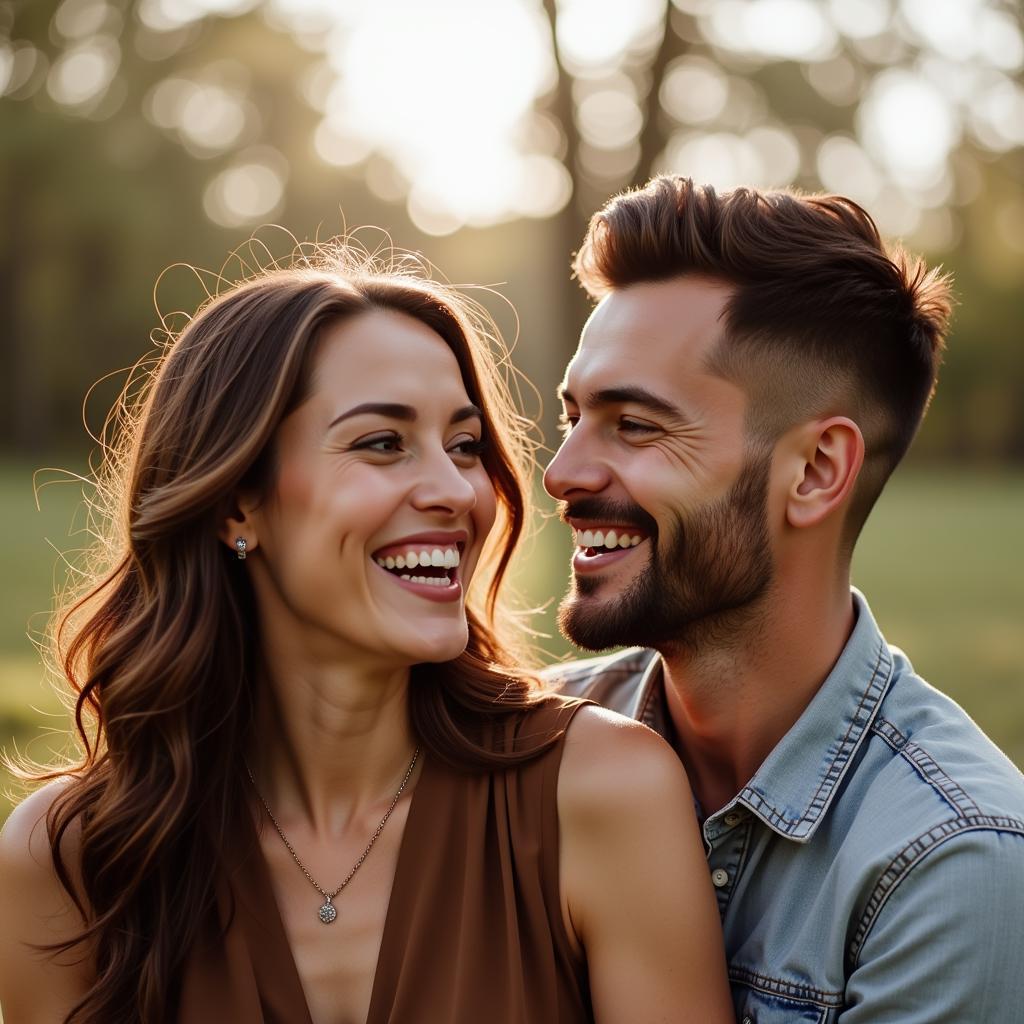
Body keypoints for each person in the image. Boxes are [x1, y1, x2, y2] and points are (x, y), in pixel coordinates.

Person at [0, 246, 734, 1023]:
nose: (456, 491)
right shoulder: (71, 860)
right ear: (236, 504)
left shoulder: (600, 794)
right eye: (382, 443)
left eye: (464, 446)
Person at [545, 176, 1024, 1022]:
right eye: (573, 416)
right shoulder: (533, 747)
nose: (563, 473)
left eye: (637, 425)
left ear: (814, 472)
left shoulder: (954, 863)